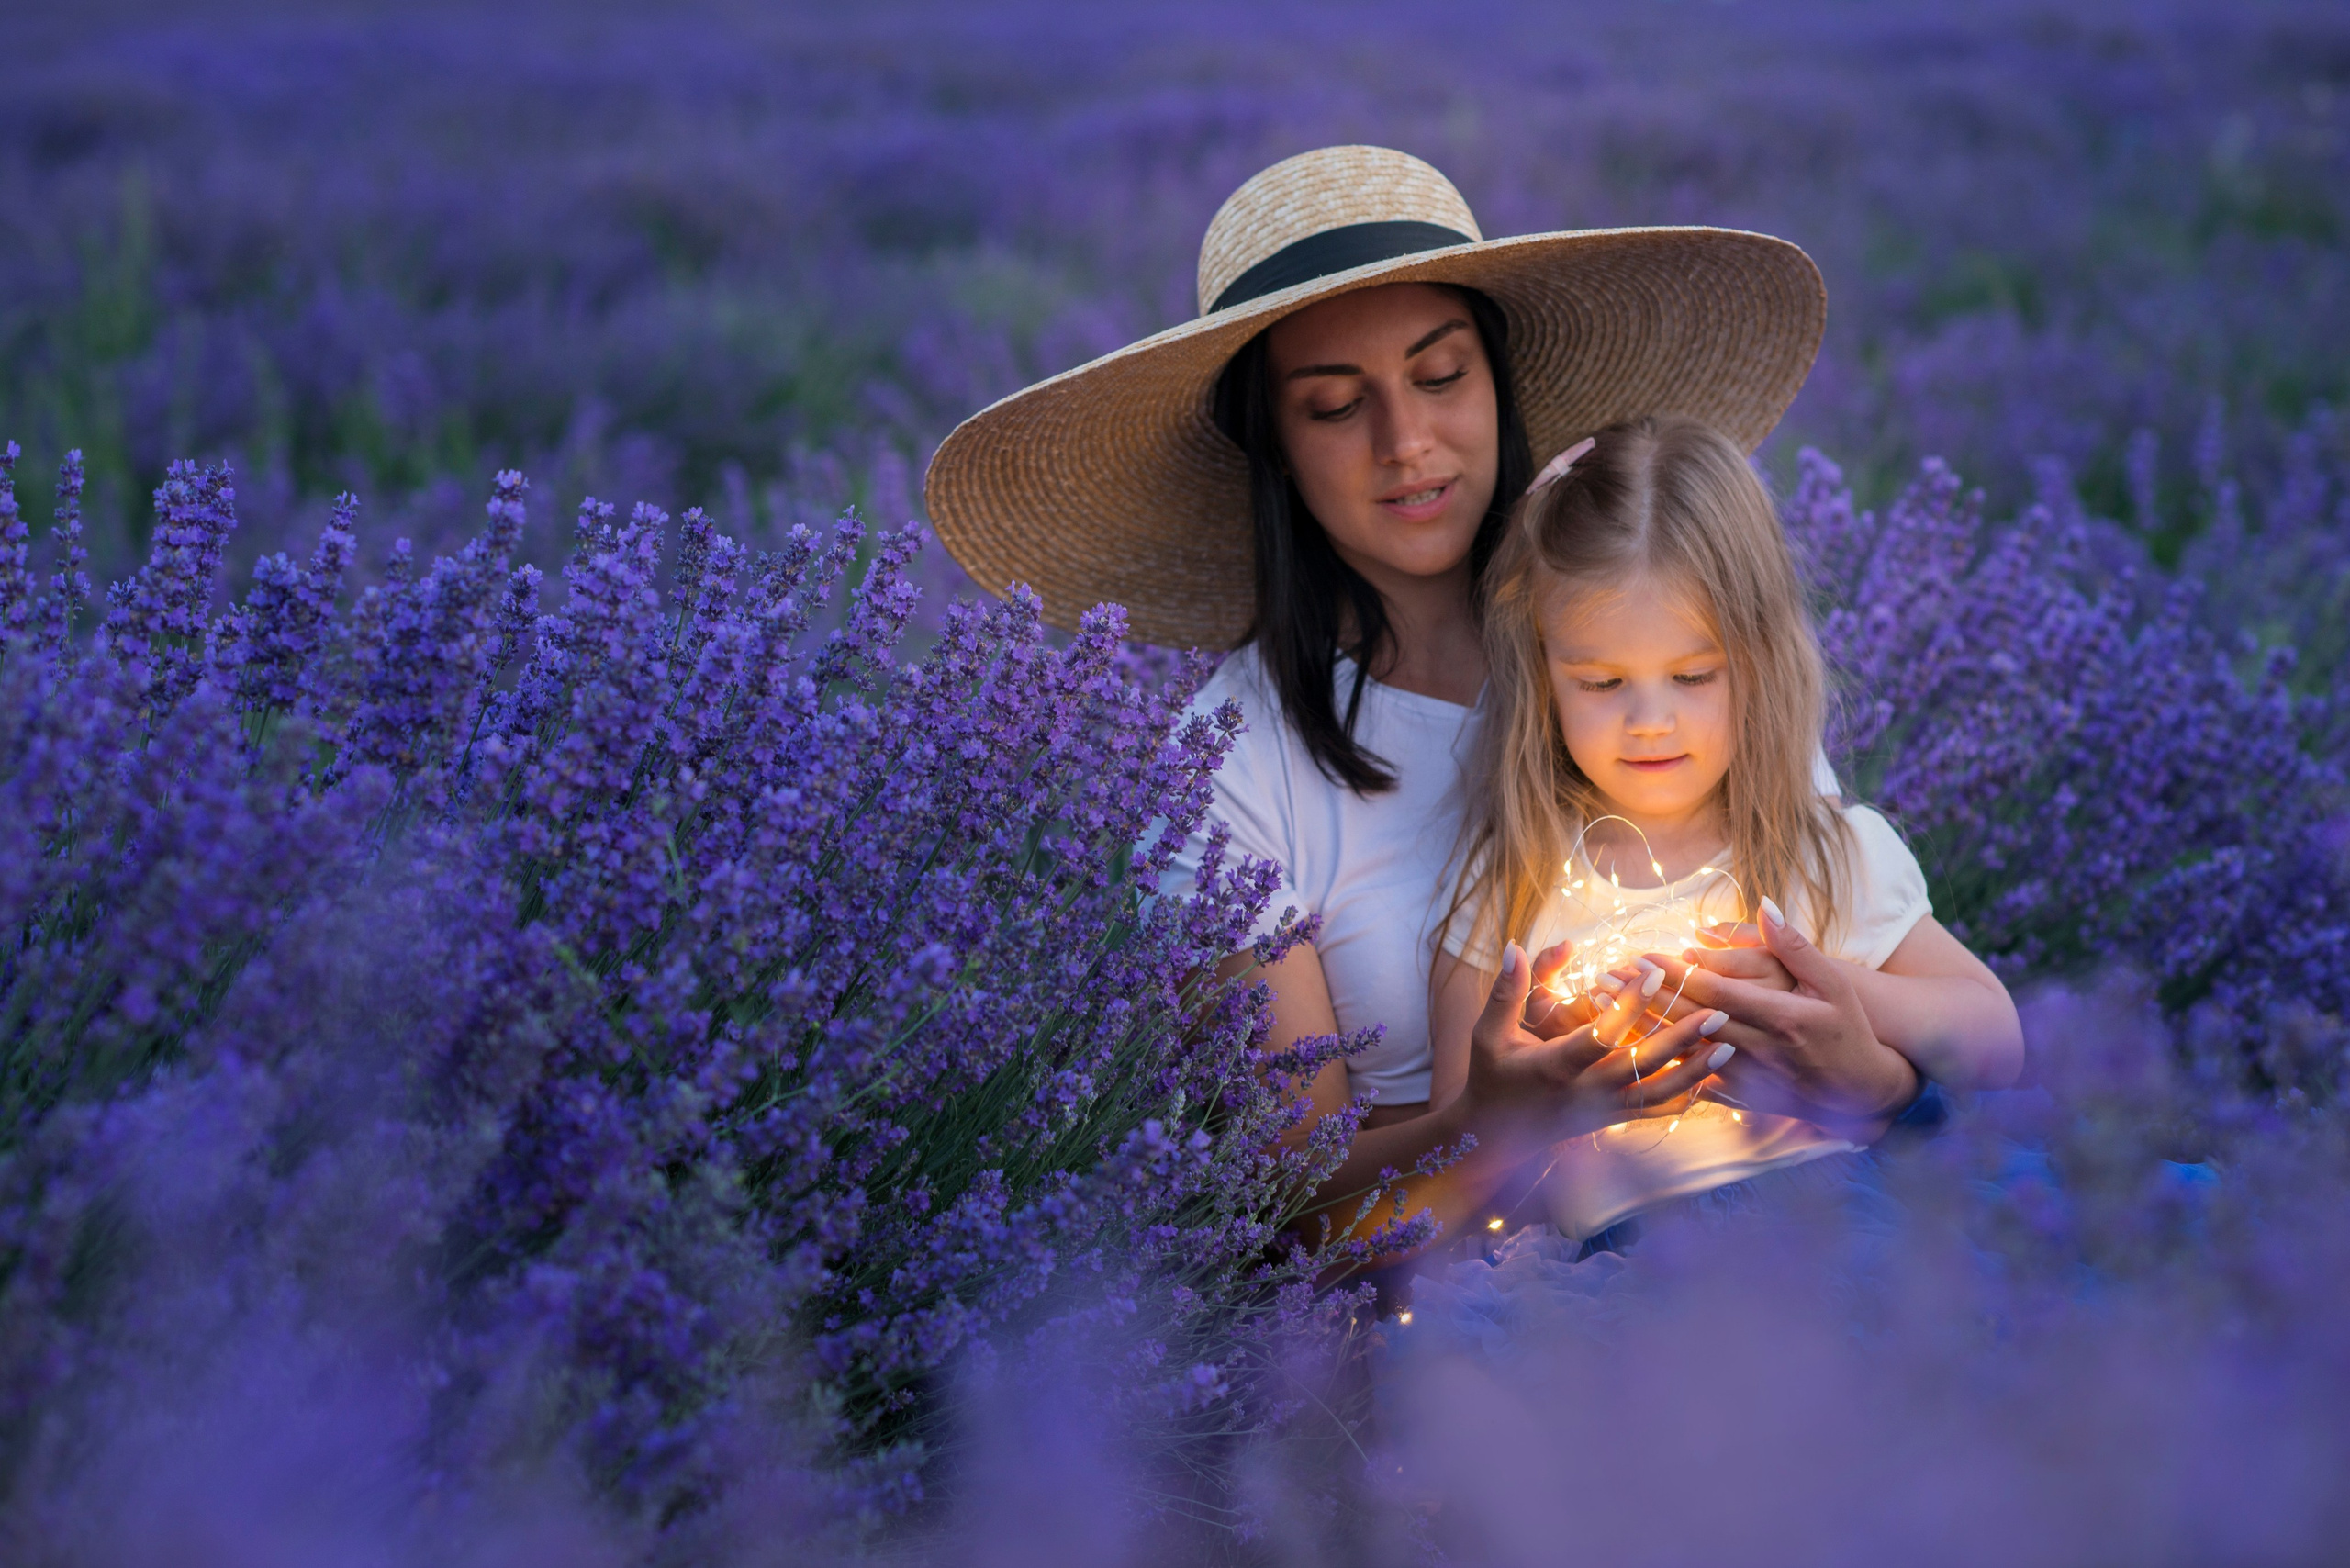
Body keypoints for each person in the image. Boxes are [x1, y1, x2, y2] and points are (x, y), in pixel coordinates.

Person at [924, 144, 1917, 1251]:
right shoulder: (1229, 767)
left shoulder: (1658, 634)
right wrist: (1483, 1126)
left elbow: (1862, 959)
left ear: (1497, 382)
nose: (1406, 443)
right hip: (1489, 1291)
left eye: (1440, 377)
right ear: (1274, 448)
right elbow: (1286, 1210)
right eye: (1334, 406)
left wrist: (1873, 1078)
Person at [1428, 414, 2023, 1248]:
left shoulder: (1822, 852)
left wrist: (1840, 997)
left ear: (1760, 659)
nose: (1650, 720)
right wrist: (1548, 1097)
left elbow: (1997, 1040)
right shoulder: (1509, 885)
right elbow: (1460, 1142)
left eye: (1692, 675)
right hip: (1632, 1259)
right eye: (1600, 683)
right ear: (1541, 673)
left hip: (1842, 1218)